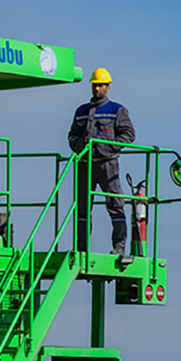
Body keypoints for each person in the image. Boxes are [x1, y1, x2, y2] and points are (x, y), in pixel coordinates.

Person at [67, 67, 135, 256]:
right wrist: (79, 147)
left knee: (115, 204)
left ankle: (119, 246)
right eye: (95, 85)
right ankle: (81, 248)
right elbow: (71, 136)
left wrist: (106, 147)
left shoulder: (116, 110)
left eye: (101, 85)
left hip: (107, 164)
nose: (97, 89)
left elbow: (129, 135)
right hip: (84, 165)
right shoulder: (81, 111)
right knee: (81, 206)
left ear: (108, 87)